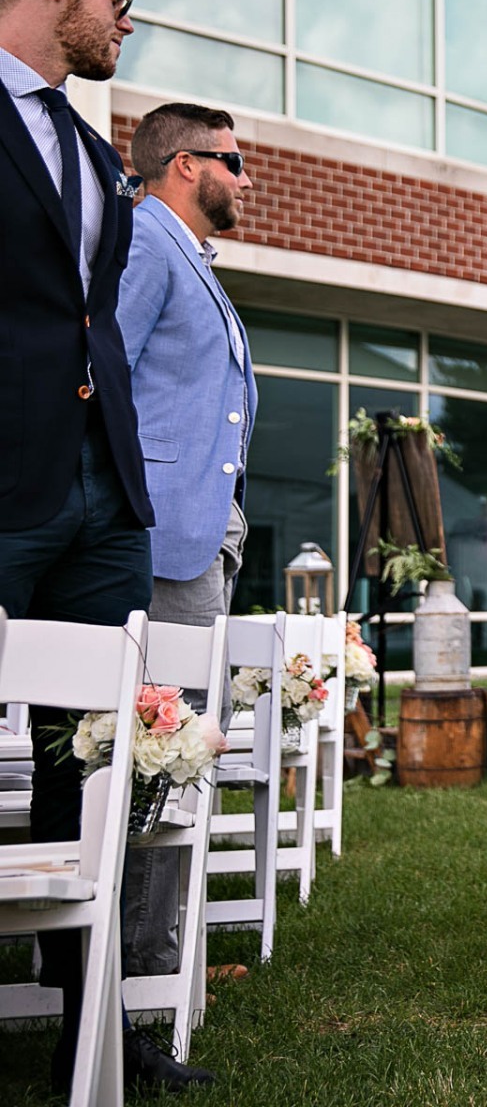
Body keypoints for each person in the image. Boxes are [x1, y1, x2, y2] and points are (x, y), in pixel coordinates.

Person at [0, 0, 214, 1092]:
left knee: (103, 758)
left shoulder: (92, 151)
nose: (126, 19)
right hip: (7, 489)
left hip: (100, 499)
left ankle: (97, 1029)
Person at [115, 101, 258, 982]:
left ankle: (162, 952)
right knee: (162, 748)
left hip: (203, 537)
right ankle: (137, 964)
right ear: (184, 165)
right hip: (160, 540)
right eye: (233, 162)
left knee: (182, 750)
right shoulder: (144, 245)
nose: (246, 179)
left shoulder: (188, 256)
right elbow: (99, 382)